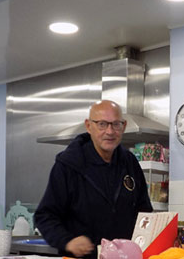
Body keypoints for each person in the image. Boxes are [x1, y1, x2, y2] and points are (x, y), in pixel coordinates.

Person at [35, 100, 153, 258]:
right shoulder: (69, 165)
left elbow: (144, 213)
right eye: (102, 124)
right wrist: (67, 241)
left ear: (123, 126)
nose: (110, 131)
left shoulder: (130, 163)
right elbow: (45, 216)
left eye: (116, 124)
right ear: (89, 126)